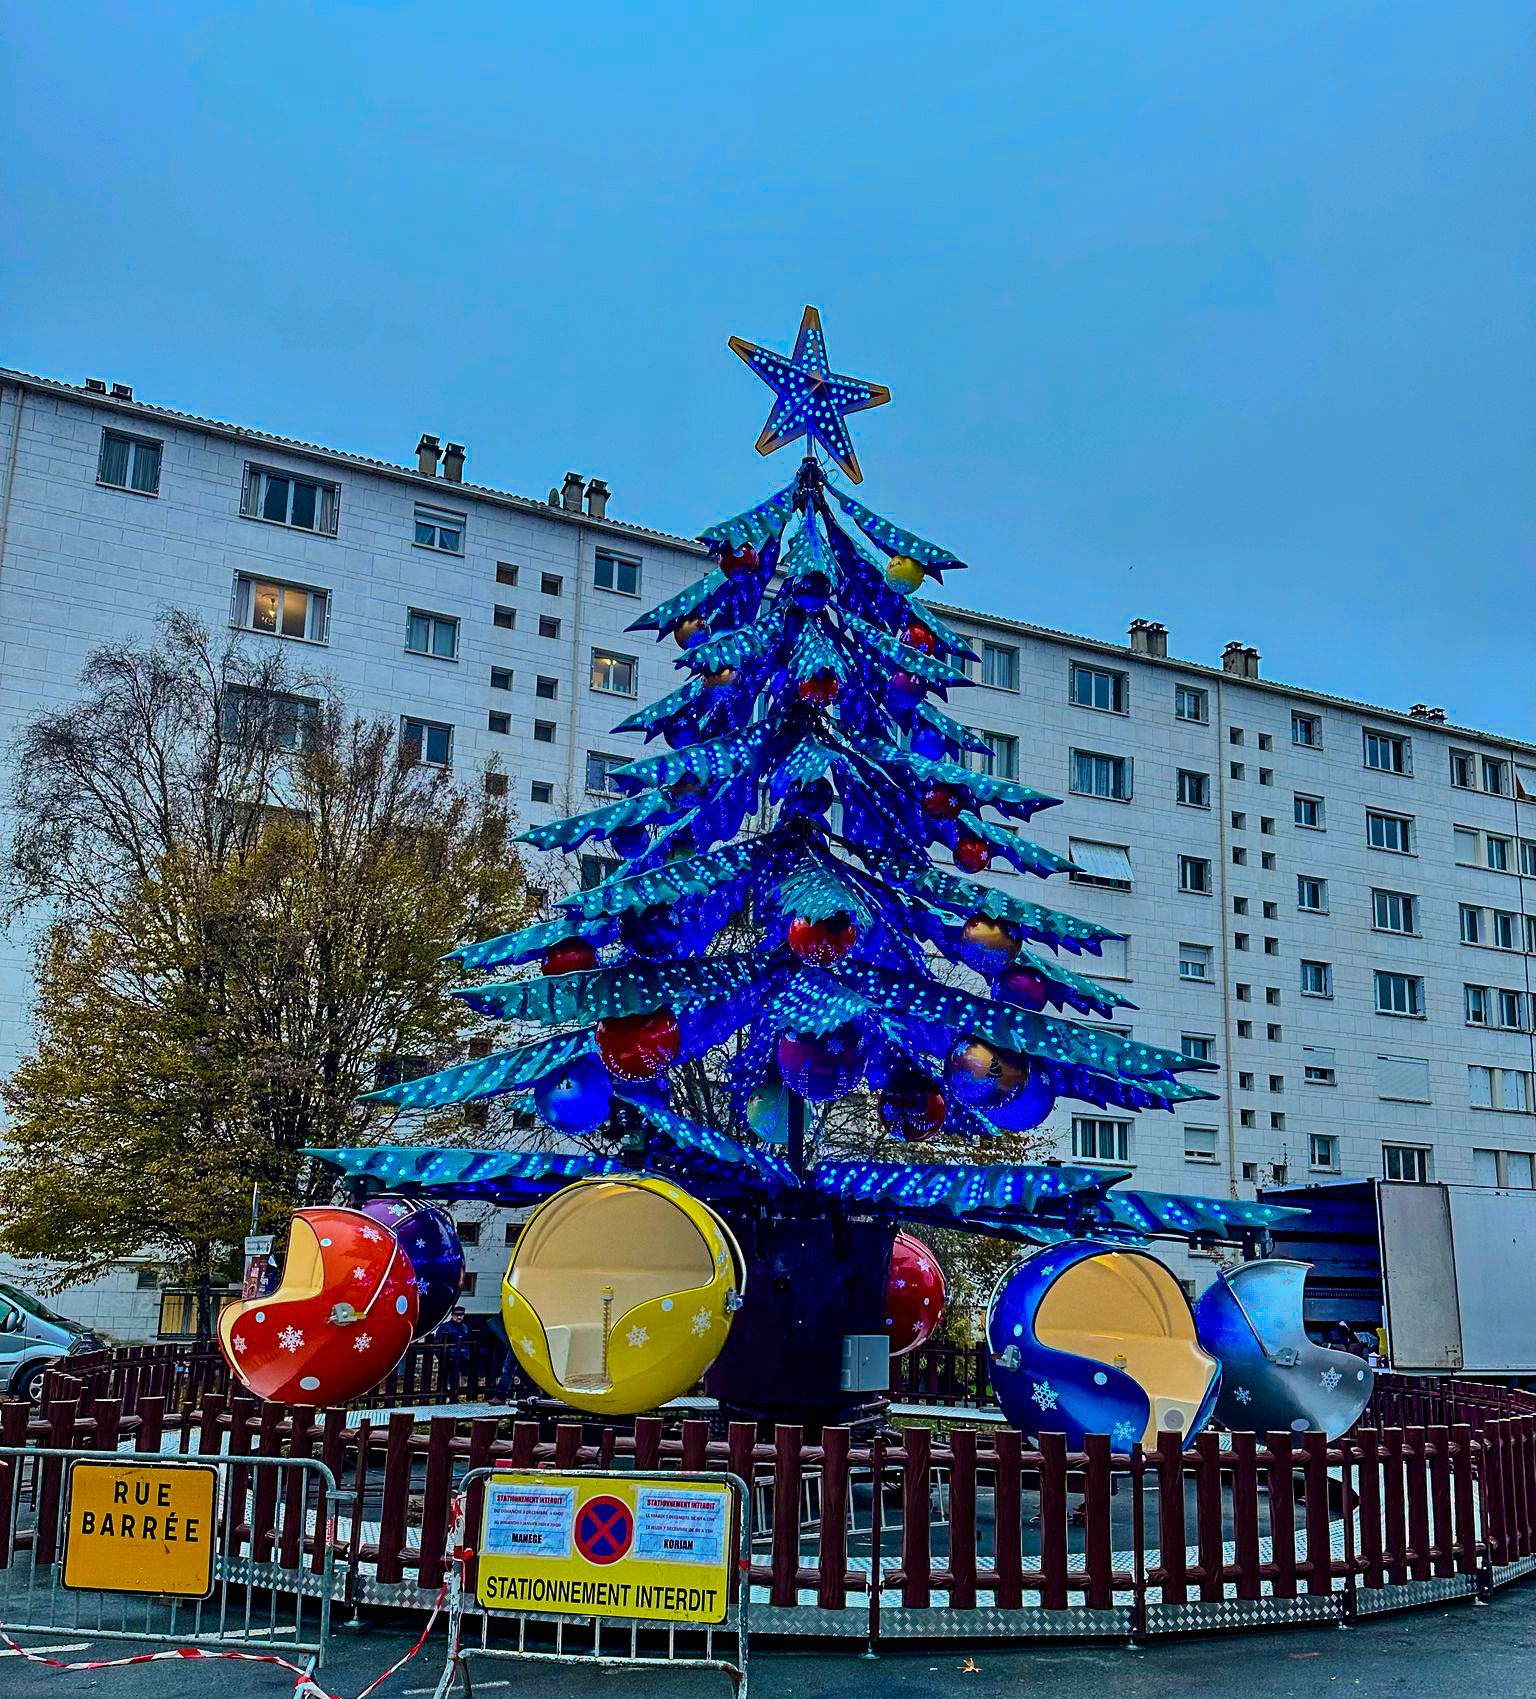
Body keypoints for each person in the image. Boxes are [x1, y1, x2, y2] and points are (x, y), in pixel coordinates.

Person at [434, 1306, 470, 1399]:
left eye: (461, 1315)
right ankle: (443, 1398)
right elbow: (437, 1344)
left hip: (460, 1358)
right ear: (452, 1315)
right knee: (444, 1381)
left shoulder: (464, 1327)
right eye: (457, 1315)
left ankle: (454, 1397)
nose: (459, 1317)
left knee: (456, 1380)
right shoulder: (445, 1327)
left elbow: (467, 1343)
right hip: (448, 1358)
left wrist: (466, 1355)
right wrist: (442, 1357)